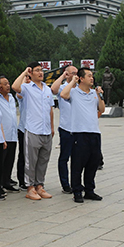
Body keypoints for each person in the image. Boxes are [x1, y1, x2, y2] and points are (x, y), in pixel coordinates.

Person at [60, 67, 105, 203]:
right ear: (81, 78)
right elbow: (63, 95)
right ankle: (77, 191)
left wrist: (99, 95)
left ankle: (89, 190)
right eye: (89, 76)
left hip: (94, 133)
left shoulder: (93, 93)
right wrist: (73, 81)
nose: (92, 78)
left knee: (93, 163)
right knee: (78, 164)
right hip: (79, 133)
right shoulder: (74, 92)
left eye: (92, 76)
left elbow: (102, 109)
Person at [12, 63, 54, 201]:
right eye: (37, 70)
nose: (41, 73)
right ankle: (30, 187)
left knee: (43, 160)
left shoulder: (47, 89)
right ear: (31, 73)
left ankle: (39, 186)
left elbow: (50, 110)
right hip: (33, 130)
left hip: (46, 130)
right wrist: (25, 72)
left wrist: (52, 127)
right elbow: (15, 87)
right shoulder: (27, 88)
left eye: (41, 70)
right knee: (31, 161)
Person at [52, 66, 77, 194]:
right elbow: (53, 90)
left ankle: (76, 183)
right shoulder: (63, 88)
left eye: (77, 73)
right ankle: (65, 184)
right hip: (66, 128)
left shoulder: (80, 89)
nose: (75, 75)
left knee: (78, 159)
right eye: (73, 73)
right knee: (64, 157)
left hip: (79, 129)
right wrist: (63, 77)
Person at [0, 76, 19, 193]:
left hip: (13, 134)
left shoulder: (11, 97)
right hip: (2, 135)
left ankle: (6, 182)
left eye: (8, 83)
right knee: (0, 162)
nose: (8, 86)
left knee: (10, 161)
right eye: (4, 84)